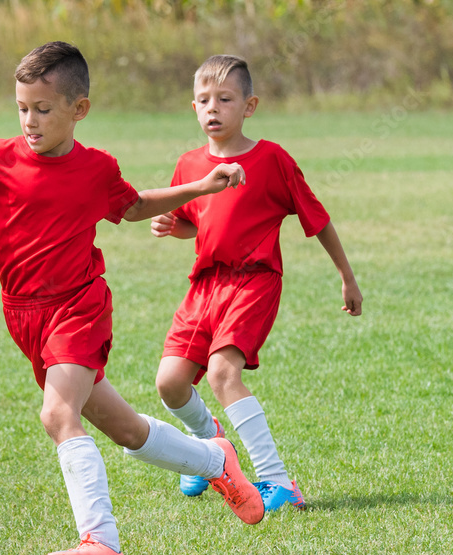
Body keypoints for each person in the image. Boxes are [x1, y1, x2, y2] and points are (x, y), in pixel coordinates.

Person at [0, 42, 264, 555]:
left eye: (43, 109)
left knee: (56, 415)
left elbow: (132, 206)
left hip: (78, 306)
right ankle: (214, 460)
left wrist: (201, 187)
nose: (30, 120)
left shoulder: (95, 169)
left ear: (78, 110)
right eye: (22, 107)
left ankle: (102, 543)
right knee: (125, 429)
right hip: (24, 316)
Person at [151, 54, 363, 512]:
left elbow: (318, 219)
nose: (213, 109)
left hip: (253, 282)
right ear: (193, 108)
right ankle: (212, 453)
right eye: (204, 100)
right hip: (203, 285)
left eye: (225, 99)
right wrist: (173, 226)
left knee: (225, 374)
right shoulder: (190, 165)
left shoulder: (271, 159)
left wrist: (346, 277)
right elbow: (194, 222)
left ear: (249, 106)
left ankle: (278, 482)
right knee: (169, 383)